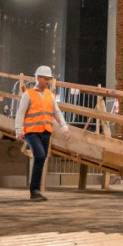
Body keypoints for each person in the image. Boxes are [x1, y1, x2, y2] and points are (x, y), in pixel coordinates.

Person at [15, 65, 71, 202]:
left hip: (46, 131)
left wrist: (64, 126)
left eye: (49, 79)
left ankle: (36, 190)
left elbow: (56, 112)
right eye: (46, 79)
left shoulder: (49, 95)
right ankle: (34, 190)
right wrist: (18, 130)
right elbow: (20, 113)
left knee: (42, 157)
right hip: (32, 132)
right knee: (39, 155)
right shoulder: (28, 95)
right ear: (38, 78)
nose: (48, 82)